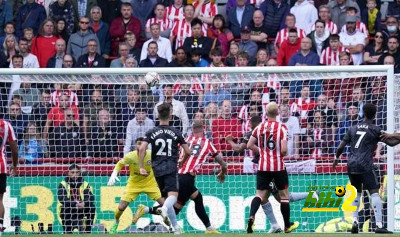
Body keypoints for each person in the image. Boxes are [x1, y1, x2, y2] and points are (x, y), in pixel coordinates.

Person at [134, 122, 226, 234]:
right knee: (175, 208)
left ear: (192, 130)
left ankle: (209, 228)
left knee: (197, 198)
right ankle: (147, 210)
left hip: (176, 174)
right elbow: (222, 163)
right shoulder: (207, 143)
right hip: (187, 178)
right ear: (204, 130)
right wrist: (222, 172)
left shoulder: (186, 140)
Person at [334, 103, 397, 234]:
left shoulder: (352, 128)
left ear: (363, 113)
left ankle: (355, 222)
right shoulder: (375, 129)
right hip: (366, 164)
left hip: (351, 165)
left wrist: (336, 158)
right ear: (375, 115)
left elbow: (341, 146)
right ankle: (379, 225)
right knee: (374, 192)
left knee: (356, 192)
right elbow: (391, 143)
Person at [138, 102, 191, 234]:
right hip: (171, 167)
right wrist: (182, 161)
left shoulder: (151, 132)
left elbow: (142, 148)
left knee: (166, 200)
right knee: (173, 197)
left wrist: (141, 167)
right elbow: (188, 151)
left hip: (156, 169)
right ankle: (164, 210)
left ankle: (176, 228)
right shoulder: (176, 132)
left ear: (158, 115)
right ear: (170, 115)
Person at [246, 102, 295, 233]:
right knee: (284, 196)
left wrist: (262, 152)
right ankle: (286, 226)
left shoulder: (259, 127)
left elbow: (249, 145)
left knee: (259, 196)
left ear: (266, 113)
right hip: (278, 167)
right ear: (277, 112)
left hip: (263, 166)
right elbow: (284, 150)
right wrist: (280, 153)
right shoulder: (282, 128)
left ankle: (251, 217)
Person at [107, 137, 165, 233]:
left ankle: (174, 226)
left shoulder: (152, 154)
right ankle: (116, 222)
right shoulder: (130, 156)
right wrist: (114, 173)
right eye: (139, 143)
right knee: (121, 207)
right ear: (135, 145)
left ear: (146, 146)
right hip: (133, 185)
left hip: (150, 184)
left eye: (143, 143)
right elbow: (120, 164)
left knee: (167, 204)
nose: (141, 145)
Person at [57, 164, 95, 234]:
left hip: (82, 208)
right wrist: (75, 204)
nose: (75, 175)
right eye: (72, 172)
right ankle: (67, 231)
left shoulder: (85, 184)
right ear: (68, 173)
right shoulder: (63, 184)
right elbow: (62, 199)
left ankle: (88, 231)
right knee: (65, 208)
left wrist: (84, 203)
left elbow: (91, 197)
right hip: (69, 209)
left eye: (77, 172)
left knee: (92, 207)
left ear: (80, 173)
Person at [0, 119, 18, 234]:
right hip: (1, 166)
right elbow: (14, 149)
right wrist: (14, 165)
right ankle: (0, 225)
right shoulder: (6, 125)